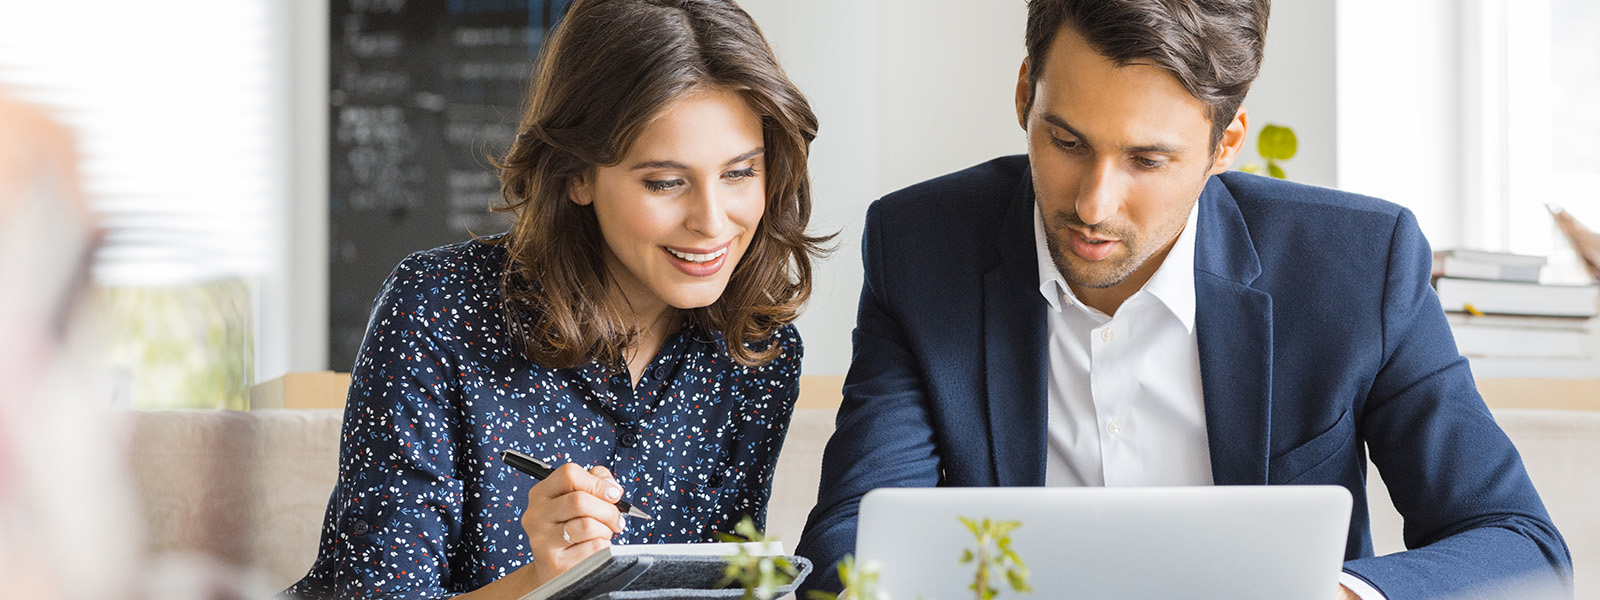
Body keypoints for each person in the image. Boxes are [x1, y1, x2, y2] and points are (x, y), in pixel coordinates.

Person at [795, 1, 1569, 599]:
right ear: (1026, 91)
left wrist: (1332, 593)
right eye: (1066, 142)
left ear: (1224, 146)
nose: (1095, 204)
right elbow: (848, 540)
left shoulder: (1358, 267)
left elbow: (1519, 543)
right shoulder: (921, 245)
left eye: (1147, 159)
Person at [284, 0, 825, 597]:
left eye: (740, 173)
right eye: (665, 182)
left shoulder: (756, 356)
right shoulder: (435, 309)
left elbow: (724, 586)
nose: (712, 222)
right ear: (577, 175)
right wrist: (542, 583)